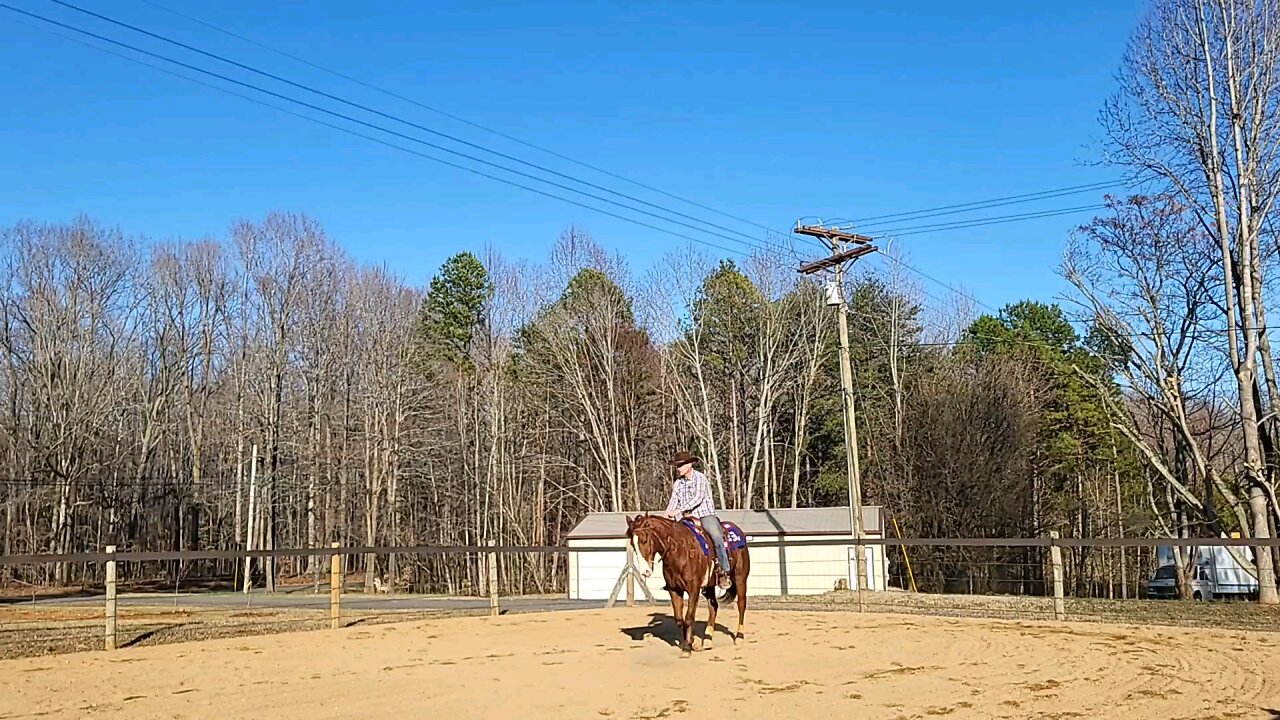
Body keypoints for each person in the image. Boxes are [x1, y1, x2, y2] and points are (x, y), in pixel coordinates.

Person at [663, 451, 732, 591]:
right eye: (677, 466)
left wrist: (679, 510)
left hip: (704, 515)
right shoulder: (678, 484)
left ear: (689, 464)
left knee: (716, 536)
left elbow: (698, 498)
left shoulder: (700, 479)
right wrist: (666, 515)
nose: (678, 468)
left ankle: (723, 570)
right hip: (686, 519)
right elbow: (673, 501)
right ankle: (675, 575)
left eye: (680, 465)